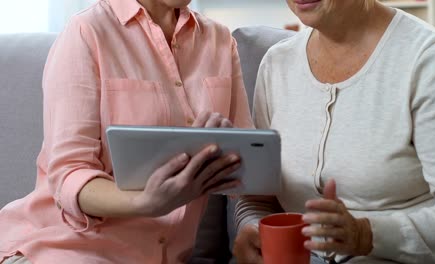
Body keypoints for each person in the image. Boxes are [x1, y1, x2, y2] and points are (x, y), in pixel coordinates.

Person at [0, 0, 253, 263]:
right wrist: (145, 201)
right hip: (61, 248)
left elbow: (252, 168)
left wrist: (251, 222)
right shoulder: (87, 31)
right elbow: (69, 173)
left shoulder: (220, 41)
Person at [233, 0, 435, 263]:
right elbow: (259, 198)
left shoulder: (427, 58)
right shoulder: (276, 64)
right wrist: (252, 228)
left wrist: (366, 235)